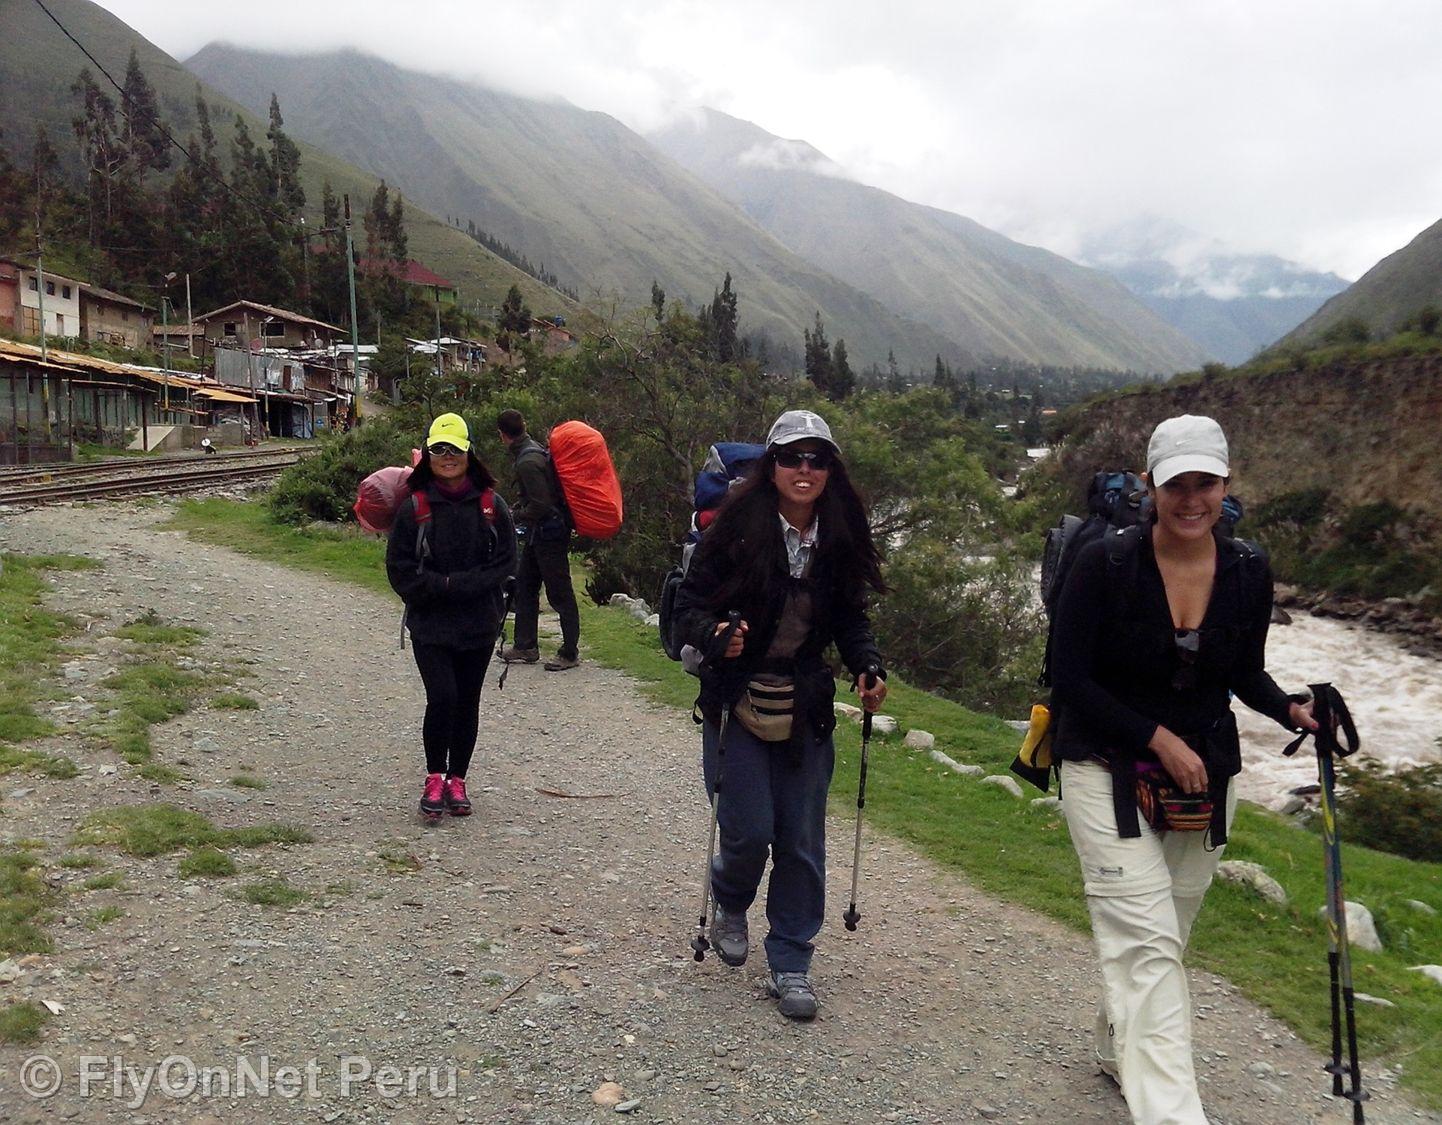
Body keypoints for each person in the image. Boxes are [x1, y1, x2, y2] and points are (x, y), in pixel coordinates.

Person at [1049, 414, 1317, 1124]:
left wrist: (1292, 708)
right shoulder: (1104, 564)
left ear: (1227, 485)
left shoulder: (1248, 569)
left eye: (1206, 482)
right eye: (1177, 483)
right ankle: (1173, 1113)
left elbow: (1244, 670)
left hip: (1204, 775)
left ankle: (1115, 1045)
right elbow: (1068, 676)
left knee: (1168, 925)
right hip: (1103, 764)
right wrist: (1156, 736)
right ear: (1150, 485)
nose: (1192, 497)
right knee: (1147, 942)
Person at [673, 408, 887, 1021]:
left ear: (829, 469)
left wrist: (866, 664)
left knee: (799, 839)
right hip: (735, 698)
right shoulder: (737, 527)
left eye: (817, 459)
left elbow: (850, 617)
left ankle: (792, 959)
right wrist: (717, 634)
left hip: (805, 704)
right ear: (772, 466)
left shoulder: (839, 534)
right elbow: (687, 608)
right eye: (792, 457)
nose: (804, 469)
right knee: (749, 829)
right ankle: (730, 895)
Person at [387, 413, 517, 820]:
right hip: (430, 624)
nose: (447, 457)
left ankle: (457, 779)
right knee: (442, 698)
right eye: (439, 449)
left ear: (469, 453)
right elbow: (399, 569)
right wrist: (440, 588)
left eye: (455, 449)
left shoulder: (491, 506)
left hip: (479, 623)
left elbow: (507, 562)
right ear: (427, 454)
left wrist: (464, 586)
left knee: (467, 702)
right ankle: (434, 776)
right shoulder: (414, 507)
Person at [495, 409, 581, 672]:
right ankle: (526, 645)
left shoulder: (526, 461)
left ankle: (569, 652)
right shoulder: (533, 450)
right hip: (540, 533)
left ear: (502, 435)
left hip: (549, 534)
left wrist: (514, 515)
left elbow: (541, 505)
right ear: (524, 426)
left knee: (559, 593)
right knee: (525, 585)